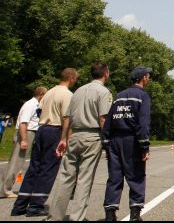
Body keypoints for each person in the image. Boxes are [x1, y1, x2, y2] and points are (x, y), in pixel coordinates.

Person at [47, 62, 113, 221]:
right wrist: (108, 141)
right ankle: (77, 217)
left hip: (74, 135)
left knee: (65, 177)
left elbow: (67, 117)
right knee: (85, 179)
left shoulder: (78, 91)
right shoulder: (104, 92)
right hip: (92, 136)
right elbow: (103, 119)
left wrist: (64, 138)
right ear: (106, 74)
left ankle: (54, 216)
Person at [11, 68, 79, 217]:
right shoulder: (67, 94)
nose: (76, 81)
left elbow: (39, 111)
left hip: (41, 129)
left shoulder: (49, 92)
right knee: (48, 168)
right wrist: (64, 138)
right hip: (55, 130)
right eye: (76, 78)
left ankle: (20, 204)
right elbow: (66, 118)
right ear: (71, 78)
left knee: (34, 167)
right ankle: (36, 205)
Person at [102, 67, 152, 222]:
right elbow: (143, 124)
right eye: (148, 76)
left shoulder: (119, 96)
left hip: (115, 140)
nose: (149, 78)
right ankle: (135, 216)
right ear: (143, 78)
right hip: (132, 141)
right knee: (136, 177)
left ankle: (110, 215)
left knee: (114, 178)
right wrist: (144, 146)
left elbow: (109, 120)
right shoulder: (143, 96)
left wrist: (106, 143)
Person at [2, 87, 47, 198]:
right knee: (16, 162)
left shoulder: (36, 105)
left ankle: (5, 188)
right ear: (41, 94)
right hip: (26, 132)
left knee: (18, 162)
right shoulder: (30, 105)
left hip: (31, 132)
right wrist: (24, 139)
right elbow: (23, 123)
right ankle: (5, 190)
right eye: (45, 95)